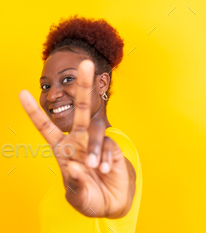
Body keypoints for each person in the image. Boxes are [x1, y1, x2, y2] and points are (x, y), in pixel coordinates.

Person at [19, 14, 142, 233]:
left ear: (102, 82)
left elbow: (121, 182)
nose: (52, 95)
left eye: (68, 79)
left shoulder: (112, 144)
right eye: (45, 86)